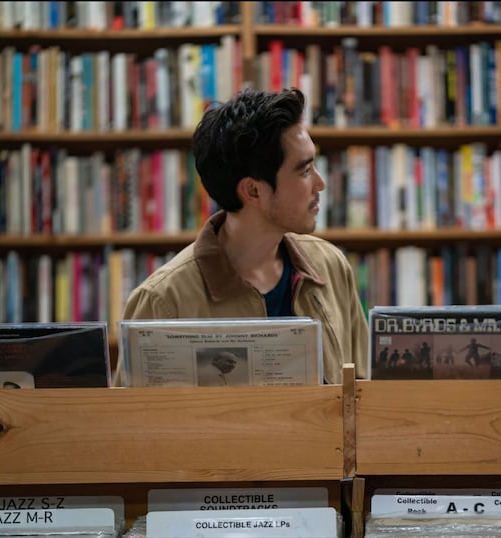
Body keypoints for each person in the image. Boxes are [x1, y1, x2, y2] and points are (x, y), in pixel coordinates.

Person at [120, 88, 368, 384]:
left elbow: (364, 399)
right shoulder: (162, 302)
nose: (321, 183)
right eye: (304, 171)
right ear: (253, 191)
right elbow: (133, 423)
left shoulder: (331, 267)